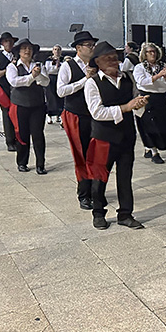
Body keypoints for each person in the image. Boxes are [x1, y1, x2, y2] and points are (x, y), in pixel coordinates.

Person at [83, 41, 148, 230]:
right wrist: (126, 107)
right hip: (103, 137)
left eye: (114, 56)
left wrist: (140, 104)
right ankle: (98, 213)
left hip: (126, 135)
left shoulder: (128, 78)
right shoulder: (92, 83)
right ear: (97, 62)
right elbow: (97, 112)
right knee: (99, 177)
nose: (112, 60)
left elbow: (136, 102)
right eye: (107, 57)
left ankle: (125, 214)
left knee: (125, 177)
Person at [57, 30, 99, 210]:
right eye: (88, 45)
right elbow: (61, 91)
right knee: (81, 153)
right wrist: (84, 80)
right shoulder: (68, 66)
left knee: (97, 153)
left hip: (95, 114)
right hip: (76, 114)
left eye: (93, 45)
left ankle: (96, 190)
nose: (92, 48)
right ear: (78, 48)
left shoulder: (96, 64)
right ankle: (84, 193)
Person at [7, 38, 50, 174]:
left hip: (37, 105)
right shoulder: (12, 67)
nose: (27, 51)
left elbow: (46, 82)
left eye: (29, 48)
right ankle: (22, 162)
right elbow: (15, 82)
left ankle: (40, 164)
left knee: (38, 135)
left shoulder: (38, 65)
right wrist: (32, 77)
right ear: (19, 52)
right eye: (24, 48)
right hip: (20, 105)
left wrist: (38, 76)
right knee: (22, 135)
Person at [133, 42, 166, 163]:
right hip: (146, 98)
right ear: (144, 54)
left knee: (161, 125)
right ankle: (154, 152)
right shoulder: (139, 67)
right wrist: (158, 76)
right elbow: (142, 81)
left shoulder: (163, 65)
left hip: (161, 98)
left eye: (154, 51)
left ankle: (148, 148)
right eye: (149, 52)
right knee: (149, 125)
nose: (152, 54)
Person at [0, 31, 18, 151]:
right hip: (4, 88)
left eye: (11, 41)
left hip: (17, 87)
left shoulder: (17, 55)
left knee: (18, 113)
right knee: (7, 113)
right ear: (2, 43)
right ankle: (10, 141)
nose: (9, 43)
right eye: (7, 41)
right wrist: (8, 69)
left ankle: (18, 139)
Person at [44, 45, 64, 124]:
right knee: (50, 96)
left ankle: (59, 115)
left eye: (58, 49)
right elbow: (48, 70)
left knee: (59, 97)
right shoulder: (49, 60)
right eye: (55, 49)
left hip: (60, 79)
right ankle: (50, 115)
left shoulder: (63, 60)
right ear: (52, 51)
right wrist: (56, 67)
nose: (57, 51)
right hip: (51, 79)